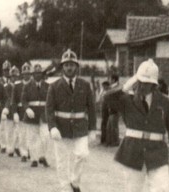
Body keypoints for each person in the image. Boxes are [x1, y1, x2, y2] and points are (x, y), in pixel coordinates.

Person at [102, 59, 169, 191]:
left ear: (154, 85)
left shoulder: (164, 101)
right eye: (140, 82)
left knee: (161, 189)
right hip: (132, 152)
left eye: (146, 83)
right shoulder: (127, 99)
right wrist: (125, 86)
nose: (142, 86)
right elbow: (107, 98)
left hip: (157, 153)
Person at [45, 50, 98, 192]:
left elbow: (91, 108)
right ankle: (64, 188)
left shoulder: (85, 85)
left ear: (77, 67)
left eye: (72, 65)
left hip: (80, 128)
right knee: (61, 160)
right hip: (61, 128)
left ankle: (74, 182)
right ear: (62, 67)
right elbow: (49, 110)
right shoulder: (54, 86)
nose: (69, 68)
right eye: (67, 65)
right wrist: (52, 127)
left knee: (82, 154)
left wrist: (93, 129)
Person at [21, 64, 52, 168]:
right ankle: (34, 158)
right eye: (35, 73)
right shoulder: (27, 86)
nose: (38, 75)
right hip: (32, 114)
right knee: (32, 137)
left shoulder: (48, 86)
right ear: (33, 75)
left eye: (40, 73)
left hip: (44, 114)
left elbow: (51, 101)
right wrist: (27, 108)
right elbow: (23, 100)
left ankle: (43, 156)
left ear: (42, 74)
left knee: (46, 136)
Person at [4, 65, 25, 157]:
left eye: (16, 76)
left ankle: (17, 147)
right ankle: (10, 148)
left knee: (19, 131)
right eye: (12, 76)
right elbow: (6, 99)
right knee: (9, 131)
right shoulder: (7, 86)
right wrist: (5, 109)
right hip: (9, 110)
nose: (14, 78)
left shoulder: (21, 86)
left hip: (18, 110)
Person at [100, 75, 122, 147]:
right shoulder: (112, 87)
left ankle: (115, 142)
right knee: (110, 126)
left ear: (113, 80)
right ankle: (110, 141)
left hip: (114, 109)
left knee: (113, 126)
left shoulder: (116, 87)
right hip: (110, 108)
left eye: (110, 79)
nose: (109, 81)